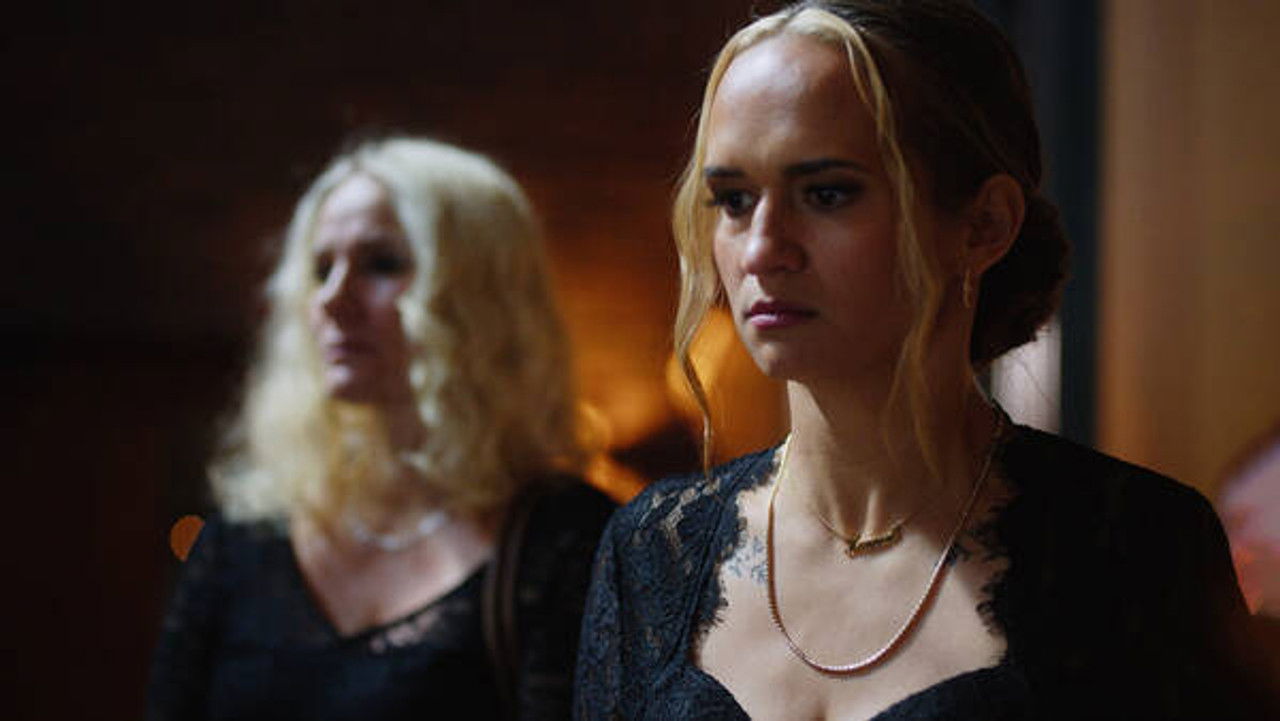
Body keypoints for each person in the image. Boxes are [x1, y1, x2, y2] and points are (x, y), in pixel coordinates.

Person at [574, 2, 1277, 719]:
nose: (761, 249)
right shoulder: (653, 552)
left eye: (826, 194)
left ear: (983, 225)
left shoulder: (1136, 546)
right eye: (733, 199)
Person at [147, 137, 614, 721]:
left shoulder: (566, 541)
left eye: (381, 264)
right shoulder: (243, 537)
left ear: (481, 297)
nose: (332, 299)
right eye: (321, 269)